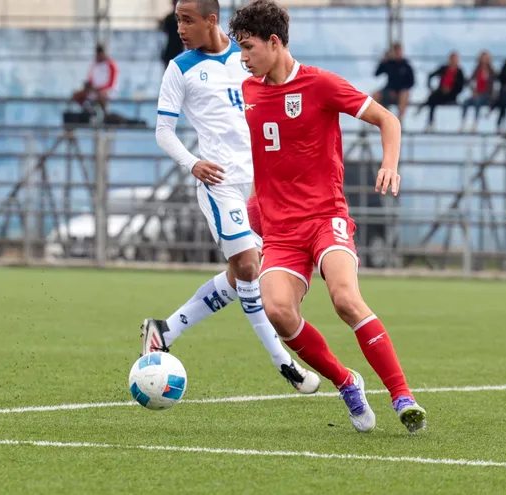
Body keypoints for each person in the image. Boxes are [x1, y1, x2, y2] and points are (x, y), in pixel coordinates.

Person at [229, 0, 427, 434]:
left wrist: (389, 164)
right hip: (279, 229)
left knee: (345, 299)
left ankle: (402, 395)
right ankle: (346, 382)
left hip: (325, 218)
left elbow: (387, 119)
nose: (242, 58)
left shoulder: (320, 84)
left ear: (274, 42)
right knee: (278, 312)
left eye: (247, 47)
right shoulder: (247, 91)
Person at [142, 0, 320, 397]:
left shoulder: (249, 56)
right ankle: (284, 363)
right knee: (249, 267)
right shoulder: (180, 67)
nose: (180, 28)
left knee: (243, 274)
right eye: (177, 21)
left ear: (212, 20)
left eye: (187, 20)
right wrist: (193, 163)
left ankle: (165, 329)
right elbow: (163, 131)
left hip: (263, 184)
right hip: (219, 181)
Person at [419, 51, 465, 132]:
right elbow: (431, 75)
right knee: (433, 99)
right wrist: (430, 87)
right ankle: (430, 122)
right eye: (452, 59)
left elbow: (461, 87)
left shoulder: (459, 72)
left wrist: (451, 90)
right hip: (440, 93)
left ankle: (422, 106)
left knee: (432, 99)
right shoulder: (444, 69)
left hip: (452, 95)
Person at [372, 42, 415, 121]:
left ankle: (399, 120)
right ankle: (373, 120)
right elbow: (376, 74)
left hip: (400, 92)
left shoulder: (406, 65)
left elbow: (411, 82)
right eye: (395, 51)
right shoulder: (389, 63)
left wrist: (400, 89)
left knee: (405, 94)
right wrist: (383, 60)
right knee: (375, 95)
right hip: (388, 90)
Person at [72, 44, 118, 114]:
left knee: (101, 95)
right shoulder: (94, 65)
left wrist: (99, 89)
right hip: (94, 90)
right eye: (97, 53)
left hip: (106, 91)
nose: (99, 56)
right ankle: (88, 111)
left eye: (100, 53)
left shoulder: (111, 65)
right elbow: (90, 79)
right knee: (77, 95)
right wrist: (89, 86)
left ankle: (104, 115)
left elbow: (111, 83)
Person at [459, 50, 496, 133]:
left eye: (486, 58)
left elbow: (492, 86)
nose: (484, 60)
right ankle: (462, 123)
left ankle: (474, 124)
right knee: (465, 102)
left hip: (487, 95)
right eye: (483, 58)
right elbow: (471, 81)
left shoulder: (491, 71)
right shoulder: (477, 70)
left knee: (477, 102)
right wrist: (474, 91)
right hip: (477, 94)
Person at [159, 0, 184, 69]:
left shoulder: (182, 18)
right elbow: (162, 29)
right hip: (170, 49)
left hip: (179, 50)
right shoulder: (169, 18)